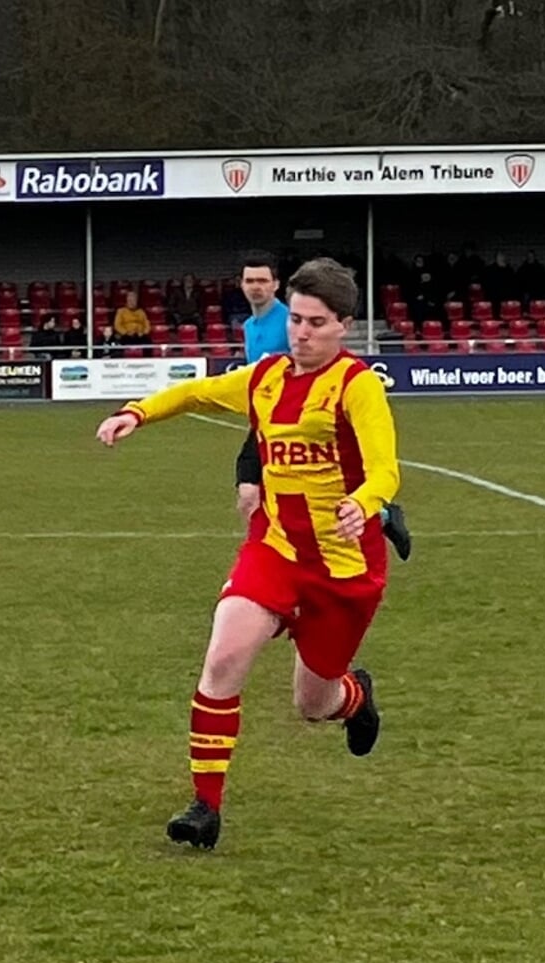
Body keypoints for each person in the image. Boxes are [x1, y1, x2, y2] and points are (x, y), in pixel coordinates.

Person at [95, 258, 396, 851]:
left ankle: (354, 698)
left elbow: (385, 464)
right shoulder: (265, 379)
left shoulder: (358, 387)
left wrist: (367, 500)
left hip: (344, 568)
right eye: (297, 320)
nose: (301, 333)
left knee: (314, 704)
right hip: (275, 549)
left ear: (344, 326)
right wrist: (136, 412)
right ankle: (204, 808)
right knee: (224, 656)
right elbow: (197, 391)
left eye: (315, 323)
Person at [234, 252, 410, 559]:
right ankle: (270, 556)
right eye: (250, 281)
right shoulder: (250, 326)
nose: (255, 287)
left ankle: (375, 516)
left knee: (275, 493)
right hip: (271, 417)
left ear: (276, 285)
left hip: (305, 417)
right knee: (250, 493)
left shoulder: (290, 320)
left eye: (262, 280)